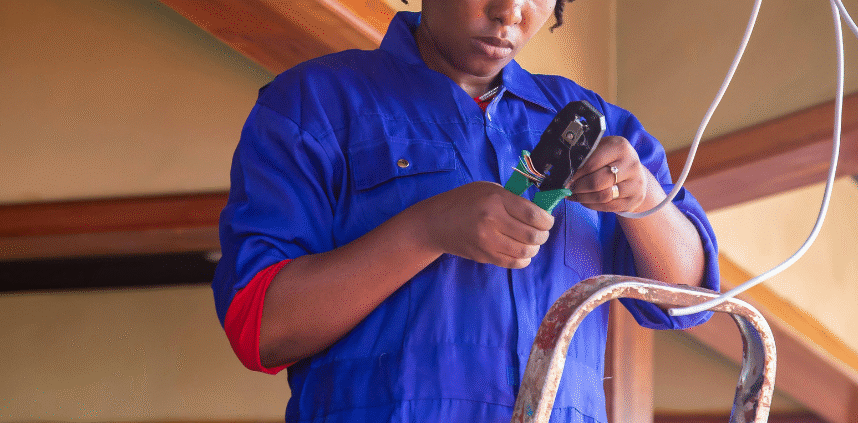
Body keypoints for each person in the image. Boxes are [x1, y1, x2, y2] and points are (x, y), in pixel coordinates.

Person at [212, 0, 720, 421]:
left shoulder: (599, 124)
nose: (510, 12)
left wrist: (646, 200)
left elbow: (690, 299)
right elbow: (261, 328)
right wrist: (426, 229)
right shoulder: (313, 104)